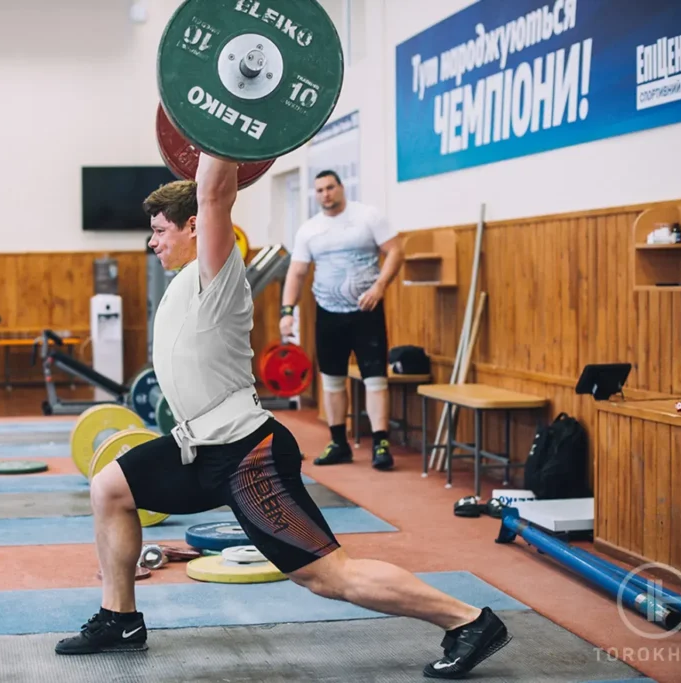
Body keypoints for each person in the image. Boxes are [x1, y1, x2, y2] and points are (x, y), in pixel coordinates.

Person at [53, 154, 511, 679]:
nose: (152, 242)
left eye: (159, 231)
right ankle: (121, 619)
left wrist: (221, 121)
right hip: (197, 448)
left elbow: (215, 192)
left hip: (247, 456)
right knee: (110, 488)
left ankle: (468, 620)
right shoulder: (182, 279)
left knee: (327, 576)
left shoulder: (215, 272)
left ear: (195, 227)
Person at [279, 171, 404, 471]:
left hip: (366, 313)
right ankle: (339, 442)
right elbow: (296, 273)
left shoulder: (367, 217)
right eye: (319, 189)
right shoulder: (309, 230)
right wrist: (286, 312)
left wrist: (379, 286)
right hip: (328, 314)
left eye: (330, 187)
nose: (325, 194)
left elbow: (396, 251)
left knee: (376, 380)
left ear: (341, 188)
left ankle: (380, 444)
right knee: (332, 381)